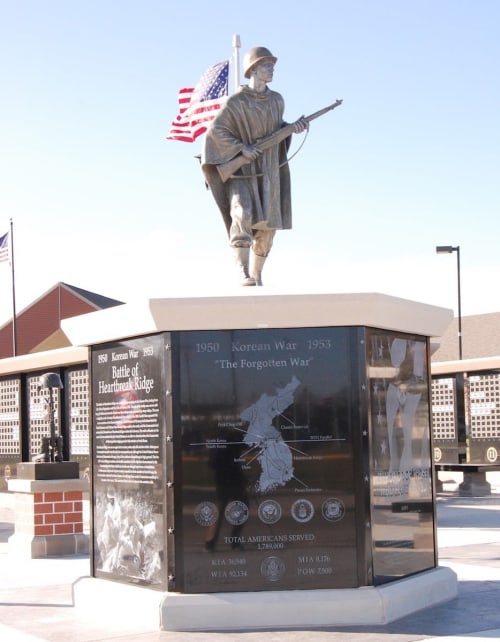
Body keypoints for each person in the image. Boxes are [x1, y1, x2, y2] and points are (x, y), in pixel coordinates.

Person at [201, 47, 308, 286]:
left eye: (272, 66)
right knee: (241, 213)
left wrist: (292, 127)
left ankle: (258, 275)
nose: (271, 70)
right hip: (242, 171)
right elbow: (215, 132)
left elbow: (275, 127)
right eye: (266, 65)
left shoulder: (276, 100)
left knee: (269, 226)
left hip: (267, 169)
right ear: (253, 69)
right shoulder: (237, 101)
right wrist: (241, 148)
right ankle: (243, 272)